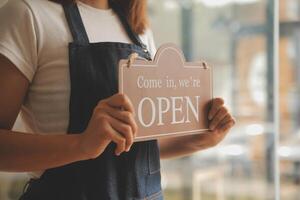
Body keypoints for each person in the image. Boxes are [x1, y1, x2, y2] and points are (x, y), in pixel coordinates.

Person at [0, 0, 236, 199]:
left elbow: (134, 143)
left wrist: (199, 140)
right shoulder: (27, 15)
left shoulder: (139, 32)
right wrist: (81, 144)